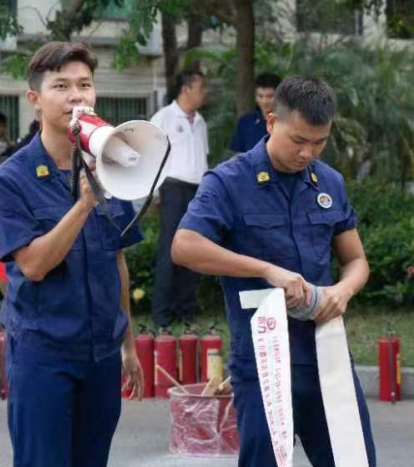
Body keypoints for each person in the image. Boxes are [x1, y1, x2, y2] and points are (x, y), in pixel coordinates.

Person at [171, 76, 376, 467]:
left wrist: (343, 291)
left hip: (326, 354)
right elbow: (184, 246)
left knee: (354, 460)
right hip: (264, 361)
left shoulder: (329, 182)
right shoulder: (229, 181)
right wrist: (267, 270)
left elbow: (356, 261)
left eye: (319, 142)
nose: (307, 153)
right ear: (270, 122)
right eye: (298, 140)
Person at [0, 41, 144, 467]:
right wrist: (84, 204)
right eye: (62, 86)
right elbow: (33, 265)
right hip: (44, 354)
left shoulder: (109, 163)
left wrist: (127, 345)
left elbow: (117, 260)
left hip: (102, 353)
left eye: (85, 85)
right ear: (35, 100)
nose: (77, 96)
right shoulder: (10, 180)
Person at [150, 69, 209, 327]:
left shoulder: (201, 121)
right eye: (201, 88)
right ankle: (162, 312)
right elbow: (150, 156)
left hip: (198, 191)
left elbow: (203, 157)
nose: (204, 93)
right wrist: (153, 193)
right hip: (173, 188)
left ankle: (186, 309)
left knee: (194, 249)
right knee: (169, 250)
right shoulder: (163, 118)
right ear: (186, 89)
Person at [230, 72, 281, 153]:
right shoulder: (245, 122)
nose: (264, 101)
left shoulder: (289, 123)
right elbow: (237, 155)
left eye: (269, 96)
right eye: (260, 96)